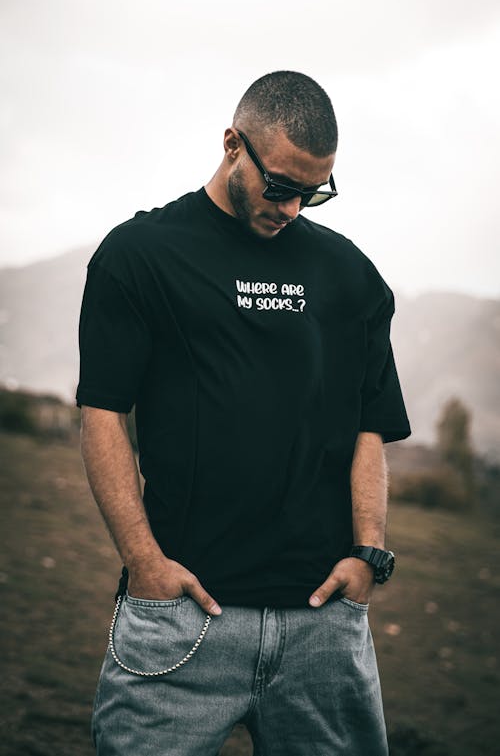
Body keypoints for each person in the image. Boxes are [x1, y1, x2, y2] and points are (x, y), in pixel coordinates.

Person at [77, 70, 411, 756]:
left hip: (323, 627)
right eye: (280, 186)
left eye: (312, 192)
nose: (291, 208)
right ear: (233, 144)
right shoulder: (139, 258)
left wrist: (367, 551)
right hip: (181, 616)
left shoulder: (352, 277)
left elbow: (370, 421)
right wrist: (144, 562)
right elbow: (103, 412)